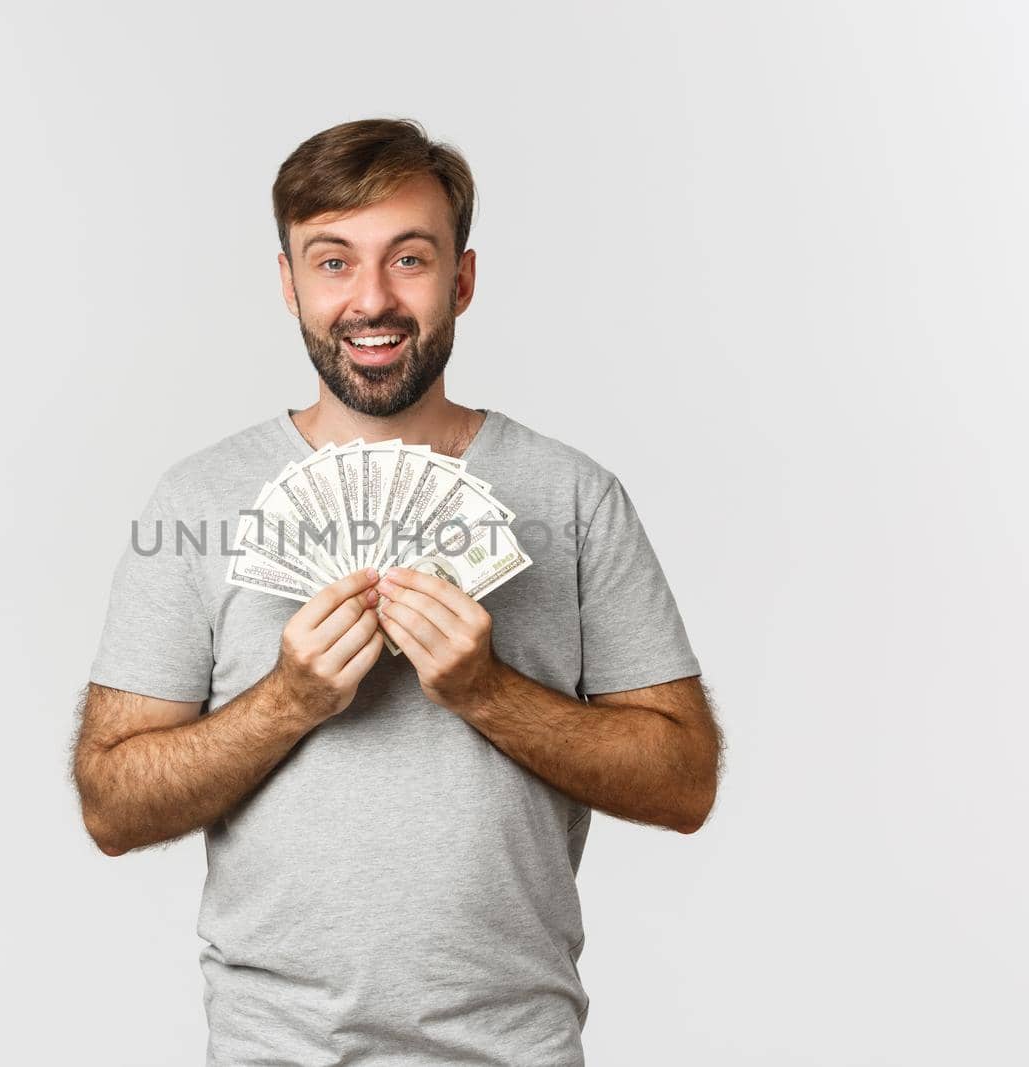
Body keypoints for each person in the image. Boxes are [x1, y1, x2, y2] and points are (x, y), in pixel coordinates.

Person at [72, 117, 723, 1065]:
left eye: (408, 259)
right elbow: (111, 805)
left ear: (461, 279)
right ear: (289, 284)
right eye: (332, 263)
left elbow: (685, 781)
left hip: (515, 1048)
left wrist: (486, 692)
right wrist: (288, 702)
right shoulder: (198, 498)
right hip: (273, 1050)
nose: (370, 300)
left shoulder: (575, 497)